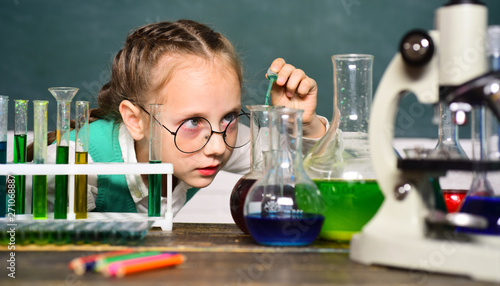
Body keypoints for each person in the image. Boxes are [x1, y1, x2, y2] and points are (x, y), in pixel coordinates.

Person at [41, 20, 328, 216]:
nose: (217, 148)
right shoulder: (79, 166)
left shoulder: (219, 136)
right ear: (135, 120)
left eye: (229, 116)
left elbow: (301, 166)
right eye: (193, 122)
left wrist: (303, 124)